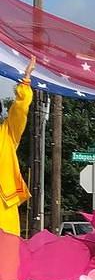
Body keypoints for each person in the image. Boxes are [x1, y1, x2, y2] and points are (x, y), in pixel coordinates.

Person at [0, 56, 35, 236]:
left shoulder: (7, 132)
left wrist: (26, 78)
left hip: (3, 205)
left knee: (7, 256)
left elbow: (20, 109)